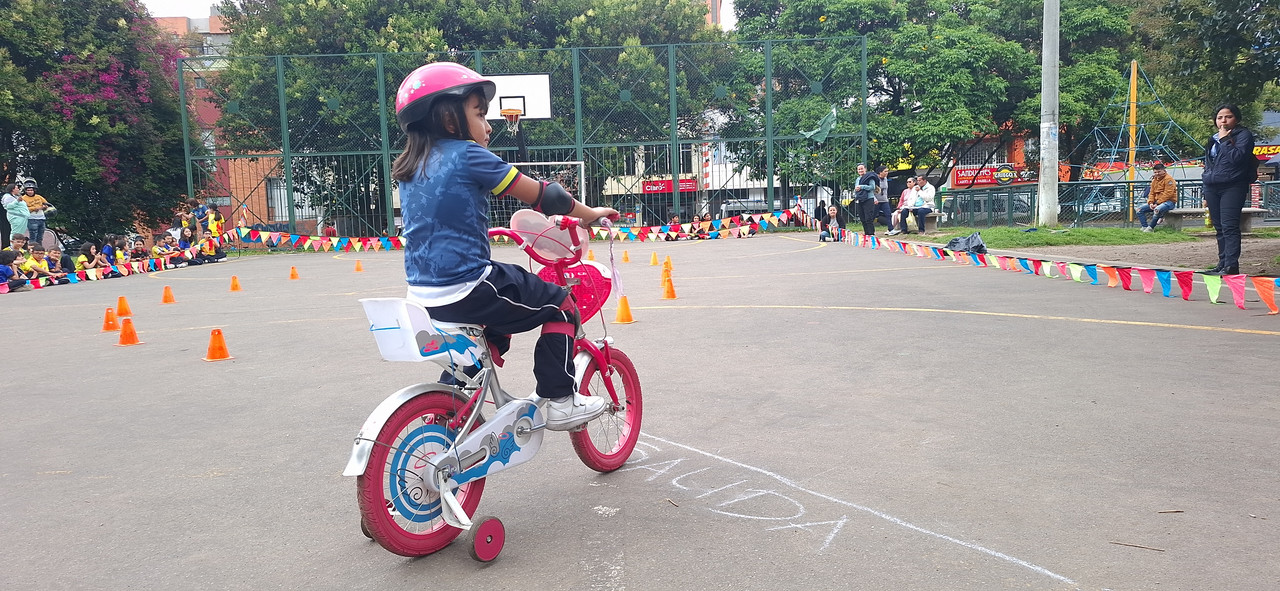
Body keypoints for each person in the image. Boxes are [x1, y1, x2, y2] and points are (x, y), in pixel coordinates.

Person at [391, 61, 618, 431]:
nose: (489, 125)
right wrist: (589, 214)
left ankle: (461, 389)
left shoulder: (411, 165)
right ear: (450, 120)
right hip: (467, 286)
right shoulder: (468, 155)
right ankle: (561, 400)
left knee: (506, 307)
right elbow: (545, 197)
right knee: (561, 304)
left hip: (421, 294)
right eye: (480, 114)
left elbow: (442, 216)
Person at [1201, 104, 1257, 275]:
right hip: (1212, 186)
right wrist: (1205, 190)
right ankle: (1222, 263)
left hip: (1232, 185)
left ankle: (1231, 265)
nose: (1223, 120)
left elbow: (1237, 158)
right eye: (1219, 117)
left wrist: (1225, 139)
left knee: (1229, 226)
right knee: (1219, 227)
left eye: (1228, 117)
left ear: (1236, 119)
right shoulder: (1213, 138)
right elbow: (1209, 165)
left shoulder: (1244, 135)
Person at [1137, 162, 1177, 232]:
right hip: (1156, 202)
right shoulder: (1154, 180)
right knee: (1139, 210)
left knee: (1157, 210)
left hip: (1169, 202)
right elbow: (1151, 193)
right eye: (1155, 172)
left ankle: (1151, 228)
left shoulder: (1169, 180)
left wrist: (1157, 203)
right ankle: (1144, 226)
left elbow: (1168, 194)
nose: (1157, 174)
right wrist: (1151, 202)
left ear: (1164, 171)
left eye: (1159, 172)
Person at [853, 163, 880, 236]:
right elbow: (856, 188)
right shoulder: (858, 179)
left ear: (865, 169)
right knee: (862, 218)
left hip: (868, 199)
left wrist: (862, 187)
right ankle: (866, 233)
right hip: (860, 199)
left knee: (868, 217)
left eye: (862, 168)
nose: (860, 170)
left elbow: (872, 187)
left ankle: (871, 233)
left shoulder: (869, 177)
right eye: (859, 169)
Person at [872, 166, 892, 230]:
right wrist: (874, 199)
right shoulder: (875, 179)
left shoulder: (885, 179)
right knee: (873, 216)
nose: (887, 173)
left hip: (884, 200)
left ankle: (891, 229)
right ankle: (869, 229)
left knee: (888, 214)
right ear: (880, 172)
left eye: (887, 171)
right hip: (876, 200)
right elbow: (872, 191)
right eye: (885, 171)